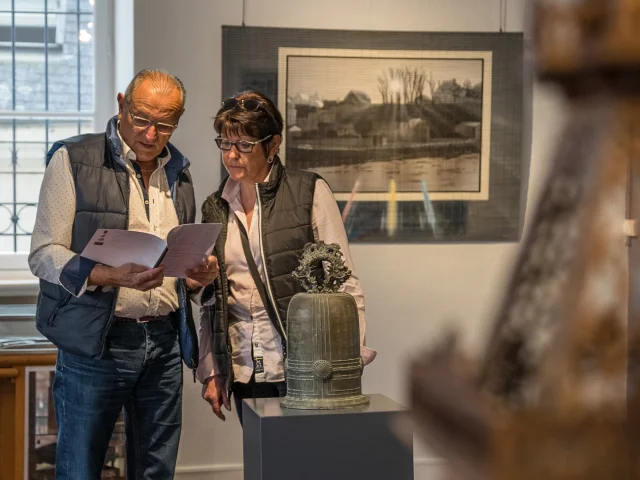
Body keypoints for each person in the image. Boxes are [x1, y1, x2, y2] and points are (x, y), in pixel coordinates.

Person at [28, 69, 219, 480]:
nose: (151, 134)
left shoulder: (179, 172)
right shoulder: (73, 160)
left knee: (156, 470)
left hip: (166, 343)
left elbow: (176, 263)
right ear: (121, 105)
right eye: (141, 118)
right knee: (80, 467)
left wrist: (198, 275)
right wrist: (108, 275)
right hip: (99, 342)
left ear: (179, 120)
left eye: (165, 124)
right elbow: (44, 254)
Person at [197, 90, 376, 424]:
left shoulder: (308, 191)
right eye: (225, 143)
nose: (232, 155)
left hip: (305, 363)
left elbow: (345, 281)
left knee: (309, 464)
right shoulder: (214, 208)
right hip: (243, 366)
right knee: (263, 464)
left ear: (273, 144)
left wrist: (350, 358)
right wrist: (211, 369)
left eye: (245, 145)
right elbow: (214, 302)